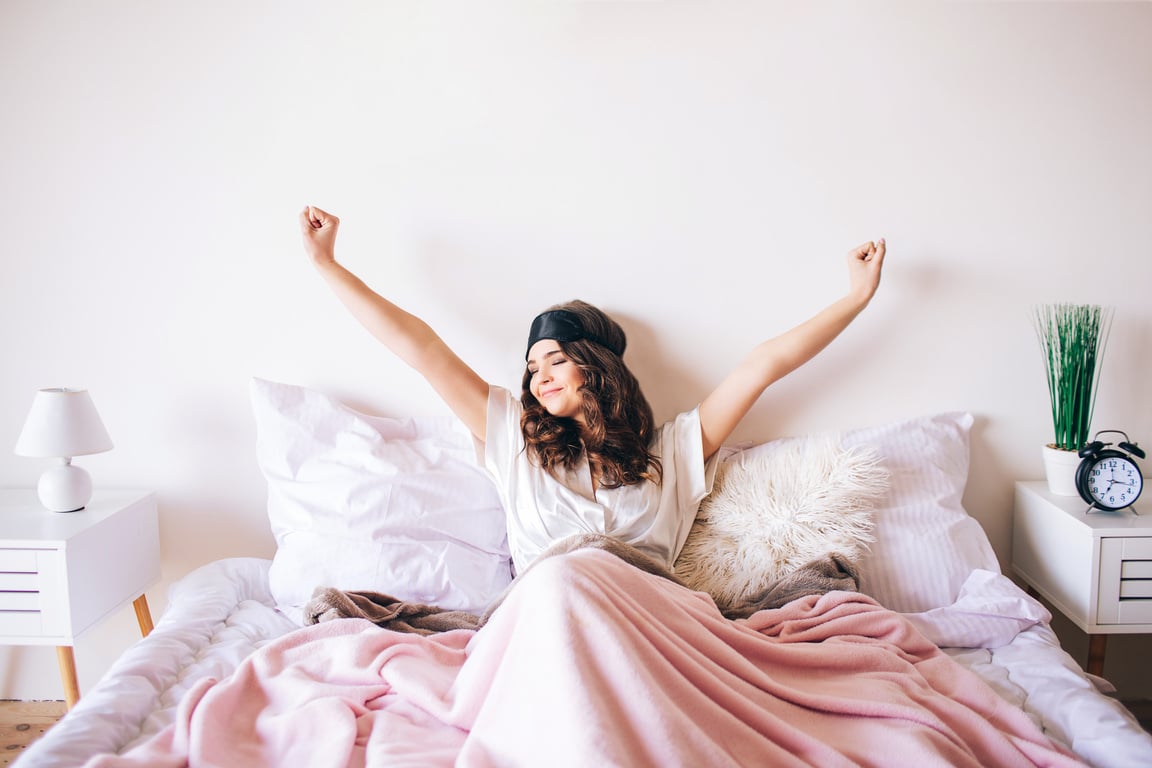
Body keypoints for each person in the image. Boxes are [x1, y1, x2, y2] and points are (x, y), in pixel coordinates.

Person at [298, 205, 885, 577]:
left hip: (649, 624)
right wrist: (328, 267)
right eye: (531, 368)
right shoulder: (514, 439)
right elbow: (421, 349)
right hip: (549, 619)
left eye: (555, 358)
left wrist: (855, 298)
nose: (539, 375)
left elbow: (762, 365)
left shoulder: (671, 454)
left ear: (594, 367)